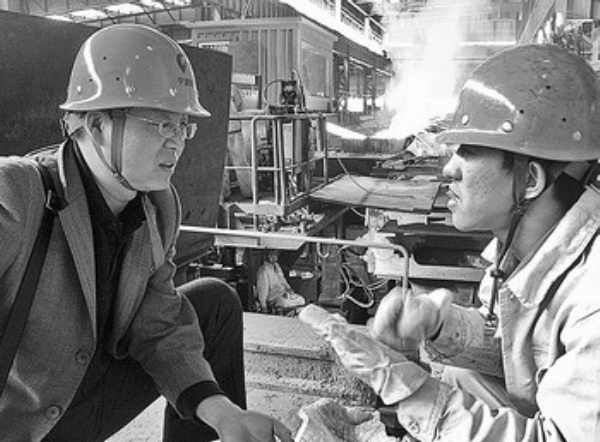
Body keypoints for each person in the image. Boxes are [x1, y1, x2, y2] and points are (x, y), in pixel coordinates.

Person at [0, 24, 292, 442]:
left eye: (182, 126)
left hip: (85, 401)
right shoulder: (17, 196)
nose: (177, 144)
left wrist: (223, 412)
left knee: (214, 304)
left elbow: (158, 324)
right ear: (97, 125)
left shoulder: (158, 207)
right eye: (160, 124)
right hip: (24, 420)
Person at [301, 44, 600, 441]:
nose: (448, 168)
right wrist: (440, 324)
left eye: (468, 151)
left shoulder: (593, 300)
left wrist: (404, 386)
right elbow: (521, 349)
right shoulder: (525, 250)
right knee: (463, 374)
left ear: (529, 180)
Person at [256, 249, 306, 314]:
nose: (274, 257)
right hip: (274, 298)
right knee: (285, 303)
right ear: (267, 255)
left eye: (275, 255)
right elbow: (263, 290)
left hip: (284, 294)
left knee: (301, 300)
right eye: (271, 255)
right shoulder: (263, 270)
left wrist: (289, 289)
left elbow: (283, 280)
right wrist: (263, 306)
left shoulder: (276, 266)